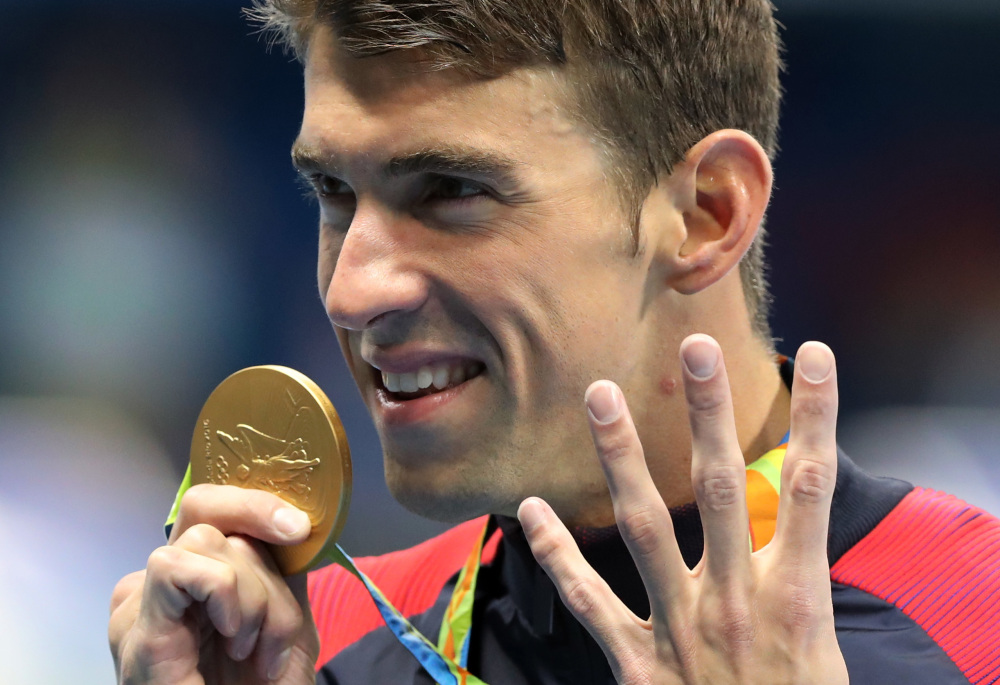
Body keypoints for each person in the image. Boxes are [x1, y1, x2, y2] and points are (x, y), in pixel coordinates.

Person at [108, 1, 1000, 683]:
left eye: (450, 189)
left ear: (705, 215)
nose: (352, 291)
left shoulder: (978, 627)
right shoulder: (310, 643)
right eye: (336, 192)